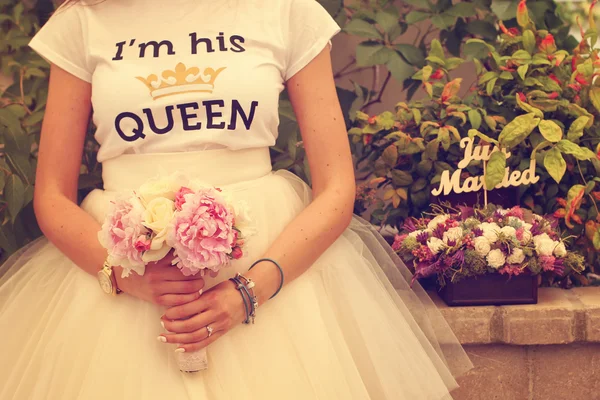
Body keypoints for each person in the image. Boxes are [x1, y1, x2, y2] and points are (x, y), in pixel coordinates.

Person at [0, 0, 473, 398]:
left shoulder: (286, 10)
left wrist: (248, 291)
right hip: (126, 271)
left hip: (272, 273)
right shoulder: (84, 19)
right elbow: (52, 197)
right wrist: (127, 275)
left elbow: (336, 188)